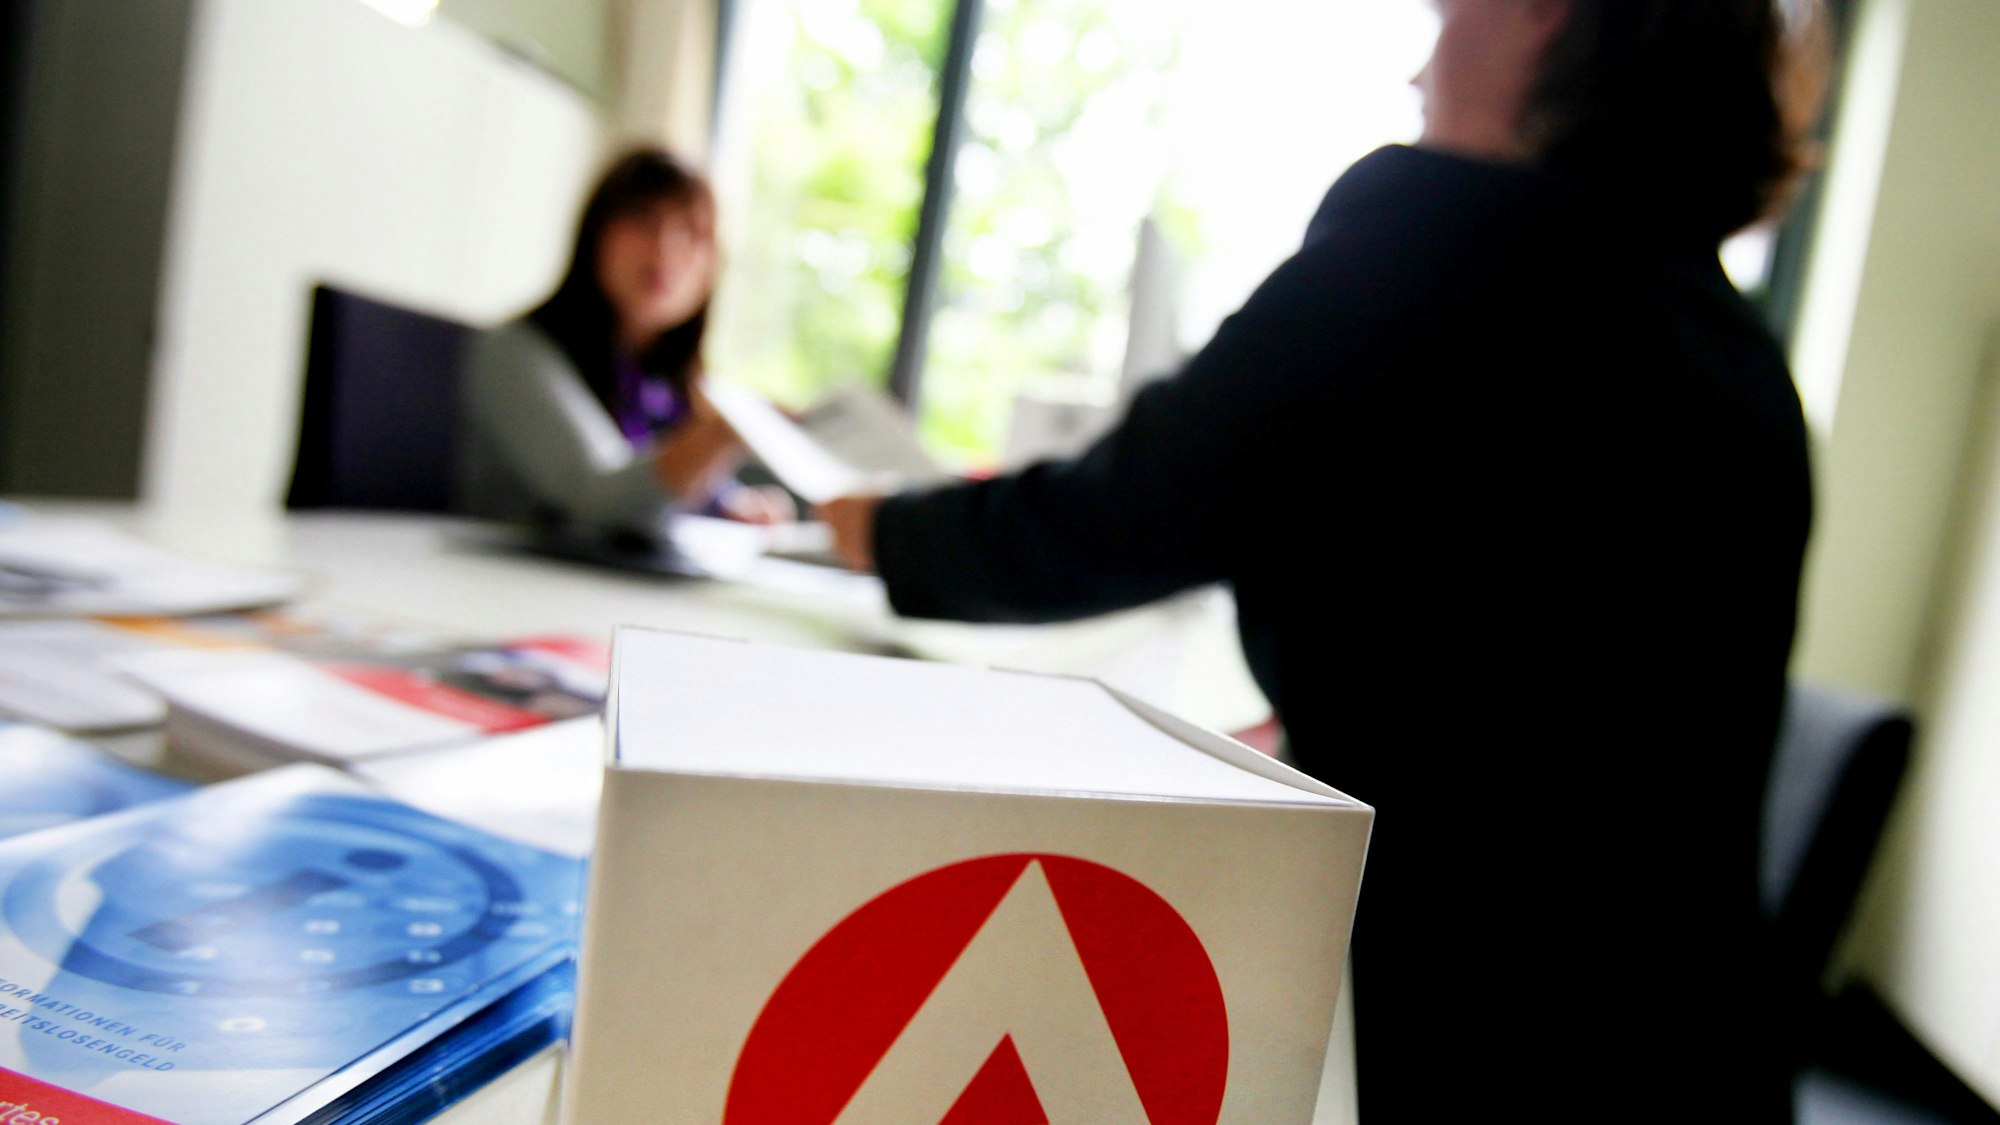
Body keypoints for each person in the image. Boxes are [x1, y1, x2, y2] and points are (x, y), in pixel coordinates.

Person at [822, 0, 1824, 1117]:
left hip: (1458, 1034)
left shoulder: (1433, 245)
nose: (1417, 63)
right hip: (1687, 1044)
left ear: (1543, 18)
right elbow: (1537, 666)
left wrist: (873, 525)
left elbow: (1115, 519)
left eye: (1448, 13)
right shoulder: (1734, 355)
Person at [456, 148, 789, 536]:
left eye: (691, 230)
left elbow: (653, 471)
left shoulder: (665, 386)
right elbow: (599, 499)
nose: (665, 247)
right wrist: (723, 433)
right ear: (596, 231)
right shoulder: (514, 354)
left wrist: (731, 505)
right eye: (644, 219)